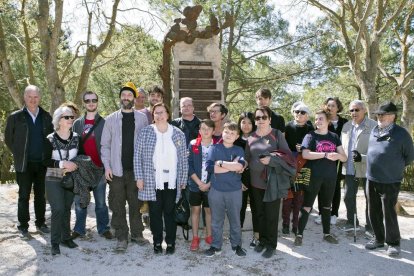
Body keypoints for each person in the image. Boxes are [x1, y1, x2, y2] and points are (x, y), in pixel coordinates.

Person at [100, 82, 148, 252]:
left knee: (136, 204)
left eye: (129, 95)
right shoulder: (110, 119)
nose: (126, 97)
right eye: (124, 95)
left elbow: (145, 145)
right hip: (116, 171)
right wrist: (107, 167)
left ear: (134, 98)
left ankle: (137, 233)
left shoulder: (142, 119)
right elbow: (105, 145)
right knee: (118, 204)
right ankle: (121, 236)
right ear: (120, 97)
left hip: (136, 171)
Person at [135, 103, 188, 255]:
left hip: (172, 181)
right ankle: (157, 242)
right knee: (155, 213)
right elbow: (137, 156)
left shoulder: (178, 133)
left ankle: (171, 242)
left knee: (170, 213)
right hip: (153, 180)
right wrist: (139, 177)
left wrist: (183, 179)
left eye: (162, 112)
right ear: (153, 115)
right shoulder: (146, 132)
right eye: (156, 113)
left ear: (168, 114)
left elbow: (183, 159)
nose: (159, 115)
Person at [365, 102, 414, 257]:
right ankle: (378, 239)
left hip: (391, 180)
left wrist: (393, 167)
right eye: (378, 115)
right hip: (371, 178)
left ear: (393, 116)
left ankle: (393, 243)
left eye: (383, 114)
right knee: (373, 211)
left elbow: (409, 157)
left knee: (389, 212)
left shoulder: (401, 134)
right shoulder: (374, 130)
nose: (379, 117)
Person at [5, 85, 53, 238]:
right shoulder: (15, 117)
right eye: (30, 97)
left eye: (36, 97)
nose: (33, 100)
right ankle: (23, 225)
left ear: (40, 98)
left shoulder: (46, 117)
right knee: (24, 195)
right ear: (24, 98)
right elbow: (8, 139)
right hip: (24, 163)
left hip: (42, 164)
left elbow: (51, 139)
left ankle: (40, 222)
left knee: (40, 195)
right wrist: (19, 154)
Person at [245, 106, 294, 258]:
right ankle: (263, 241)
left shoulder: (277, 134)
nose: (260, 120)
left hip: (272, 183)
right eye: (258, 118)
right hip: (255, 183)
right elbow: (247, 158)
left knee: (271, 215)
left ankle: (272, 245)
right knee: (259, 213)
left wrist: (271, 160)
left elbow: (287, 156)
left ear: (270, 119)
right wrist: (240, 165)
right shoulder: (251, 137)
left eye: (263, 117)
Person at [294, 110, 347, 246]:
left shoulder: (334, 136)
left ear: (328, 121)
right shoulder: (310, 136)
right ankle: (299, 235)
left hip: (330, 177)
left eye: (321, 119)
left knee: (326, 207)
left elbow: (344, 157)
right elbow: (305, 154)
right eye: (316, 119)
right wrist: (324, 154)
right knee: (307, 206)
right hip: (313, 177)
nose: (318, 121)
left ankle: (327, 234)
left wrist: (337, 156)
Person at [71, 91, 112, 240]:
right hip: (81, 170)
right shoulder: (77, 124)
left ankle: (103, 228)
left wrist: (108, 166)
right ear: (84, 103)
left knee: (101, 202)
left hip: (99, 169)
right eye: (87, 100)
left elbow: (109, 145)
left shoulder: (104, 122)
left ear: (97, 102)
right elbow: (73, 146)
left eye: (94, 100)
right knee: (80, 201)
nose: (91, 103)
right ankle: (79, 229)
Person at [204, 122, 247, 257]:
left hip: (234, 191)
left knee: (235, 220)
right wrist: (232, 166)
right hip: (216, 190)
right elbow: (210, 168)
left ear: (237, 136)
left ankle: (236, 245)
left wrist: (221, 163)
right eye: (226, 132)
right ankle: (216, 246)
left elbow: (239, 167)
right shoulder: (214, 148)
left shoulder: (239, 150)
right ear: (222, 133)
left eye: (232, 133)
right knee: (216, 220)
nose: (229, 135)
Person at [43, 106, 79, 255]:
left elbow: (80, 155)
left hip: (71, 176)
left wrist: (76, 164)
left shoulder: (76, 137)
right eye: (67, 117)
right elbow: (44, 160)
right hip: (53, 174)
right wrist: (62, 164)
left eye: (72, 117)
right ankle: (55, 242)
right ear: (59, 120)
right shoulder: (50, 138)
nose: (71, 119)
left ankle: (66, 237)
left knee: (66, 208)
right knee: (57, 209)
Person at [340, 100, 376, 233]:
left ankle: (371, 227)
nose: (354, 113)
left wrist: (363, 157)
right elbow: (342, 146)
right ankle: (351, 222)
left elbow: (378, 149)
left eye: (357, 110)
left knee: (370, 198)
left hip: (368, 169)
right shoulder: (346, 126)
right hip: (349, 167)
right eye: (351, 110)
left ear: (364, 110)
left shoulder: (373, 126)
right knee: (348, 196)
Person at [282, 103, 314, 235]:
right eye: (296, 111)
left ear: (307, 115)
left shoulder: (310, 128)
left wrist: (305, 149)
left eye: (302, 112)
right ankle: (285, 224)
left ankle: (296, 225)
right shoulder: (288, 126)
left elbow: (314, 146)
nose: (298, 114)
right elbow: (282, 145)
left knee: (299, 197)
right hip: (289, 163)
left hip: (305, 164)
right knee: (287, 196)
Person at [315, 97, 348, 225]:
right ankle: (321, 213)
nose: (330, 108)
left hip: (338, 158)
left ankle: (334, 213)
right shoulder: (323, 120)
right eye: (328, 105)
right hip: (323, 157)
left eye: (333, 105)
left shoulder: (345, 122)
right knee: (321, 186)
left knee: (335, 187)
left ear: (338, 107)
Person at [187, 119, 215, 251]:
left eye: (209, 128)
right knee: (196, 210)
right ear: (199, 131)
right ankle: (195, 237)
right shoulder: (193, 144)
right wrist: (199, 183)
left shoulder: (217, 146)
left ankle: (209, 235)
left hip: (211, 185)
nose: (206, 131)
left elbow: (218, 168)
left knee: (209, 211)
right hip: (195, 185)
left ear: (213, 131)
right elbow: (189, 165)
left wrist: (209, 184)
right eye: (203, 128)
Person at [234, 112, 259, 248]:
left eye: (249, 122)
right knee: (240, 208)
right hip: (239, 181)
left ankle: (257, 236)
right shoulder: (235, 140)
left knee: (256, 208)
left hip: (256, 180)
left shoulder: (258, 139)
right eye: (243, 122)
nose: (246, 125)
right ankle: (238, 236)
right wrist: (238, 181)